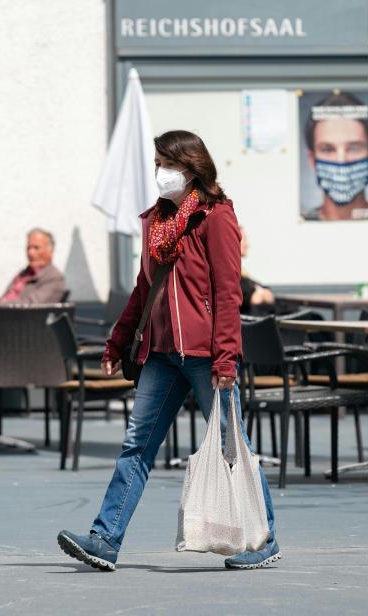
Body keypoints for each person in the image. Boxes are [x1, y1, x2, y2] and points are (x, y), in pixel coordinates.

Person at [57, 130, 279, 571]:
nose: (161, 173)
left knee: (231, 448)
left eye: (168, 164)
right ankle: (105, 539)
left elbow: (228, 293)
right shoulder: (157, 223)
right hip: (159, 353)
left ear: (191, 167)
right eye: (158, 163)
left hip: (204, 355)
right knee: (136, 445)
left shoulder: (216, 218)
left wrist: (225, 357)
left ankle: (262, 539)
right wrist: (117, 342)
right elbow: (144, 289)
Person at [302, 92, 368, 221]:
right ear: (312, 160)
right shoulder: (298, 227)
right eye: (328, 149)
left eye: (353, 148)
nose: (341, 161)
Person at [0, 228, 65, 304]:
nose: (30, 252)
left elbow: (32, 305)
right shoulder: (24, 273)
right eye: (28, 248)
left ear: (50, 251)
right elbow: (6, 296)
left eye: (36, 248)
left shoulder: (54, 278)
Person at [239, 226, 275, 315]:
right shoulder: (231, 274)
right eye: (245, 240)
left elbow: (263, 291)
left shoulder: (242, 272)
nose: (248, 245)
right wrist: (254, 296)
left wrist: (263, 292)